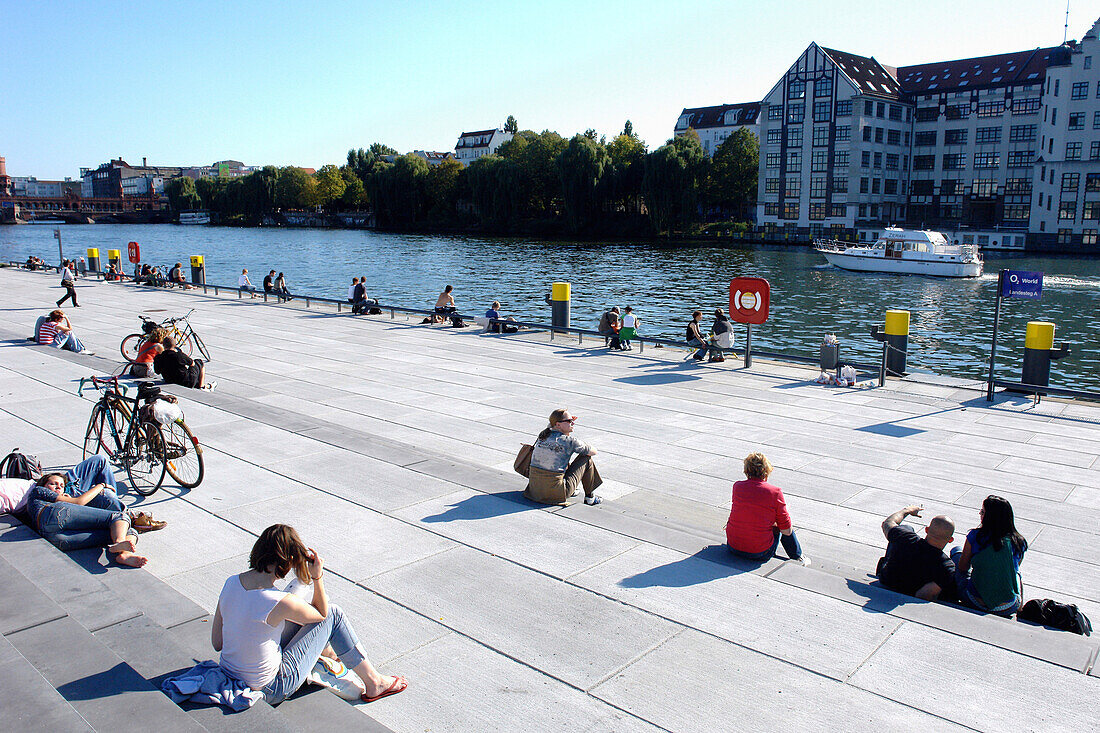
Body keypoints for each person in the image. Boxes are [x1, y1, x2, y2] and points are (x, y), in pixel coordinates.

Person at [212, 524, 407, 705]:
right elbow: (323, 615)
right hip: (271, 687)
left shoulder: (230, 583)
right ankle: (375, 682)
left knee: (293, 614)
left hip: (229, 674)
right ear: (289, 561)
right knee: (333, 614)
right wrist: (317, 576)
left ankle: (326, 652)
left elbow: (218, 643)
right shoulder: (277, 601)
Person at [24, 456, 166, 566]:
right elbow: (78, 502)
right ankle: (121, 542)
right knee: (118, 517)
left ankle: (124, 554)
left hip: (55, 537)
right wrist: (102, 486)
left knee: (127, 530)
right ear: (43, 484)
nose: (58, 487)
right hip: (53, 515)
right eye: (53, 483)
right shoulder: (39, 490)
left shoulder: (56, 498)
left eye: (61, 485)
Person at [725, 452, 810, 565]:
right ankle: (797, 556)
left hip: (733, 547)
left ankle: (797, 556)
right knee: (782, 522)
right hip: (760, 553)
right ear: (767, 470)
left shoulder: (737, 487)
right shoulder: (774, 492)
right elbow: (787, 530)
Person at [952, 495, 1027, 616]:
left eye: (982, 512)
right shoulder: (1019, 542)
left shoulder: (975, 536)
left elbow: (963, 567)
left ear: (989, 517)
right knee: (1017, 573)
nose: (980, 514)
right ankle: (1020, 607)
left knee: (956, 551)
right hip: (1007, 607)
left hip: (974, 601)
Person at [876, 506, 957, 602]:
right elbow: (923, 595)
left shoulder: (906, 538)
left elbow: (888, 523)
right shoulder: (946, 566)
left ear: (926, 530)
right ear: (951, 540)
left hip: (887, 582)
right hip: (908, 593)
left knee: (904, 529)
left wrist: (907, 510)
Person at [526, 409, 602, 506]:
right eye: (569, 421)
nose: (573, 423)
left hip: (534, 491)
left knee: (560, 456)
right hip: (556, 493)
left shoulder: (543, 436)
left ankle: (574, 490)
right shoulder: (569, 441)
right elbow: (593, 452)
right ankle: (590, 497)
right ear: (558, 425)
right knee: (586, 459)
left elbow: (551, 426)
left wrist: (565, 422)